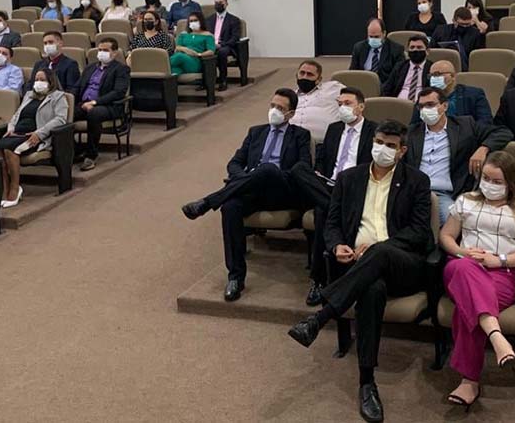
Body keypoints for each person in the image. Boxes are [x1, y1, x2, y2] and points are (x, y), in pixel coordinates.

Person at [287, 120, 432, 423]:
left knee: (379, 252)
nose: (382, 149)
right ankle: (367, 383)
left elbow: (419, 232)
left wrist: (381, 246)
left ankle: (321, 317)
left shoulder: (417, 181)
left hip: (403, 264)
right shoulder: (349, 178)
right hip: (361, 267)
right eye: (379, 142)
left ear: (402, 151)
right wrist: (337, 245)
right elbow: (332, 223)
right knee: (371, 289)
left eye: (390, 145)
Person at [181, 89, 312, 301]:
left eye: (280, 108)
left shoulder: (300, 136)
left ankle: (207, 202)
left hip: (283, 191)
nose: (274, 111)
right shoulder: (255, 132)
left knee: (267, 169)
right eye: (272, 106)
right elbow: (234, 163)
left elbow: (303, 168)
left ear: (291, 114)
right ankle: (235, 276)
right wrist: (247, 178)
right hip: (252, 190)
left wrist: (266, 174)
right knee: (230, 207)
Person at [440, 150, 515, 409]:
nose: (489, 184)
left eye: (497, 181)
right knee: (464, 270)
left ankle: (469, 381)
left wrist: (500, 260)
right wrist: (463, 252)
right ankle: (496, 337)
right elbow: (446, 237)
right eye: (486, 178)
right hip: (461, 268)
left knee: (468, 306)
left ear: (510, 182)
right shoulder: (466, 200)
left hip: (502, 273)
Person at [289, 87, 377, 306]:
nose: (342, 108)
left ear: (361, 106)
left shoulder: (374, 130)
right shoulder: (334, 128)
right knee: (299, 170)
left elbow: (374, 165)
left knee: (323, 213)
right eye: (339, 104)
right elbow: (322, 159)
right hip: (328, 184)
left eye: (347, 103)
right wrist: (320, 173)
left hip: (355, 186)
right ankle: (332, 206)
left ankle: (319, 280)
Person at [408, 86, 513, 224]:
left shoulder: (465, 125)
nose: (425, 110)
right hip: (414, 192)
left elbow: (503, 133)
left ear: (445, 106)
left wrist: (483, 148)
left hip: (443, 194)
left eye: (430, 105)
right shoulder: (411, 132)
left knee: (453, 221)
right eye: (421, 106)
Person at [0, 68, 68, 209]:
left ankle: (15, 189)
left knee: (10, 149)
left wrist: (39, 133)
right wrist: (10, 128)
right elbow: (17, 114)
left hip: (34, 135)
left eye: (42, 80)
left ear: (51, 82)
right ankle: (5, 187)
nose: (38, 82)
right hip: (17, 132)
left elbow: (60, 119)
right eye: (36, 80)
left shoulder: (58, 97)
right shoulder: (29, 95)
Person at [73, 38, 130, 171]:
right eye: (99, 50)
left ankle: (91, 156)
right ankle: (76, 151)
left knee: (94, 113)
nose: (101, 53)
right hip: (84, 104)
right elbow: (77, 87)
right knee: (64, 113)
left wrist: (95, 102)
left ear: (114, 53)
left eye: (105, 50)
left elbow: (118, 92)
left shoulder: (121, 69)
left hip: (109, 106)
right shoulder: (90, 68)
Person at [291, 60, 344, 143]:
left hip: (322, 143)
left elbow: (355, 97)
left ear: (319, 79)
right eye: (302, 73)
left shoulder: (333, 88)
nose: (305, 77)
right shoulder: (290, 95)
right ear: (296, 75)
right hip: (292, 143)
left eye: (310, 74)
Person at [426, 60, 492, 124]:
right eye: (430, 75)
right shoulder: (425, 97)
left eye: (437, 74)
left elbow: (485, 122)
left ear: (453, 76)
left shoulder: (474, 95)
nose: (433, 78)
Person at [349, 17, 404, 85]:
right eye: (370, 37)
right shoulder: (359, 48)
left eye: (376, 37)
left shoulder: (396, 50)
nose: (373, 39)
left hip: (385, 86)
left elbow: (398, 76)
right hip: (362, 85)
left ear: (384, 34)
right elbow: (352, 72)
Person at [430, 6, 485, 71]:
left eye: (467, 24)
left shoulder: (475, 34)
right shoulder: (441, 31)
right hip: (441, 65)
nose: (465, 26)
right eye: (462, 24)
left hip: (467, 68)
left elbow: (478, 57)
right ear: (454, 21)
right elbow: (431, 50)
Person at [207, 0, 242, 91]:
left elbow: (235, 37)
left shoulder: (234, 20)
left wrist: (221, 45)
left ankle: (223, 80)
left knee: (222, 52)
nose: (218, 5)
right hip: (211, 44)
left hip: (226, 46)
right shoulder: (209, 19)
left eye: (221, 2)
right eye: (216, 3)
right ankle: (205, 81)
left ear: (226, 4)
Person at [381, 35, 431, 100]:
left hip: (423, 103)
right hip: (398, 103)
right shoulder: (400, 66)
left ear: (427, 51)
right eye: (412, 47)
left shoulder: (432, 68)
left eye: (419, 47)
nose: (415, 50)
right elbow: (387, 88)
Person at [169, 12, 216, 76]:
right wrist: (186, 50)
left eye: (195, 20)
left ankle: (161, 66)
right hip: (181, 58)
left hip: (195, 61)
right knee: (175, 70)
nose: (193, 22)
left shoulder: (208, 35)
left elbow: (211, 51)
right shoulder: (183, 34)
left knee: (179, 56)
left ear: (201, 21)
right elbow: (178, 47)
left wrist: (198, 54)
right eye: (191, 21)